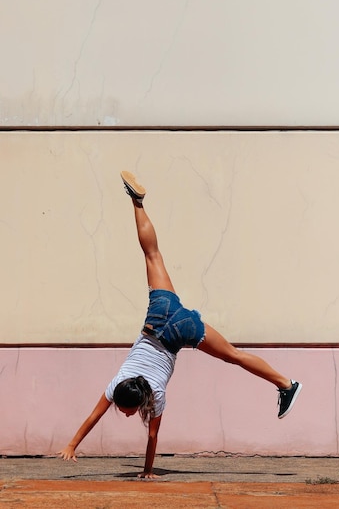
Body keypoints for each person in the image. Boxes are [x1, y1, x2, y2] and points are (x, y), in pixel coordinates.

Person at [58, 171, 302, 478]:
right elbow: (98, 416)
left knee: (234, 356)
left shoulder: (155, 395)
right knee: (152, 254)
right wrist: (71, 445)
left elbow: (149, 436)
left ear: (136, 402)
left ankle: (288, 385)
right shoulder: (119, 382)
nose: (121, 412)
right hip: (161, 314)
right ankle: (136, 202)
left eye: (124, 410)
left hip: (180, 331)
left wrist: (144, 471)